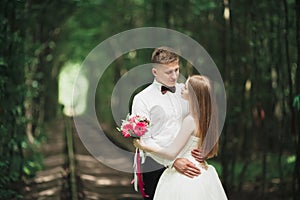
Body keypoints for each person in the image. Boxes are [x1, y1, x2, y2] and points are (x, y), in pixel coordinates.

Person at [134, 75, 228, 200]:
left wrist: (144, 146)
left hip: (185, 173)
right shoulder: (205, 119)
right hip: (201, 170)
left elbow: (171, 153)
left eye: (187, 87)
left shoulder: (190, 120)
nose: (182, 87)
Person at [131, 47, 202, 200]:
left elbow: (199, 121)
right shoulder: (142, 99)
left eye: (176, 70)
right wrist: (173, 161)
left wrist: (204, 148)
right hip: (155, 165)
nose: (175, 76)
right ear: (155, 72)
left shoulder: (185, 91)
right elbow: (144, 140)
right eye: (168, 72)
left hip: (186, 164)